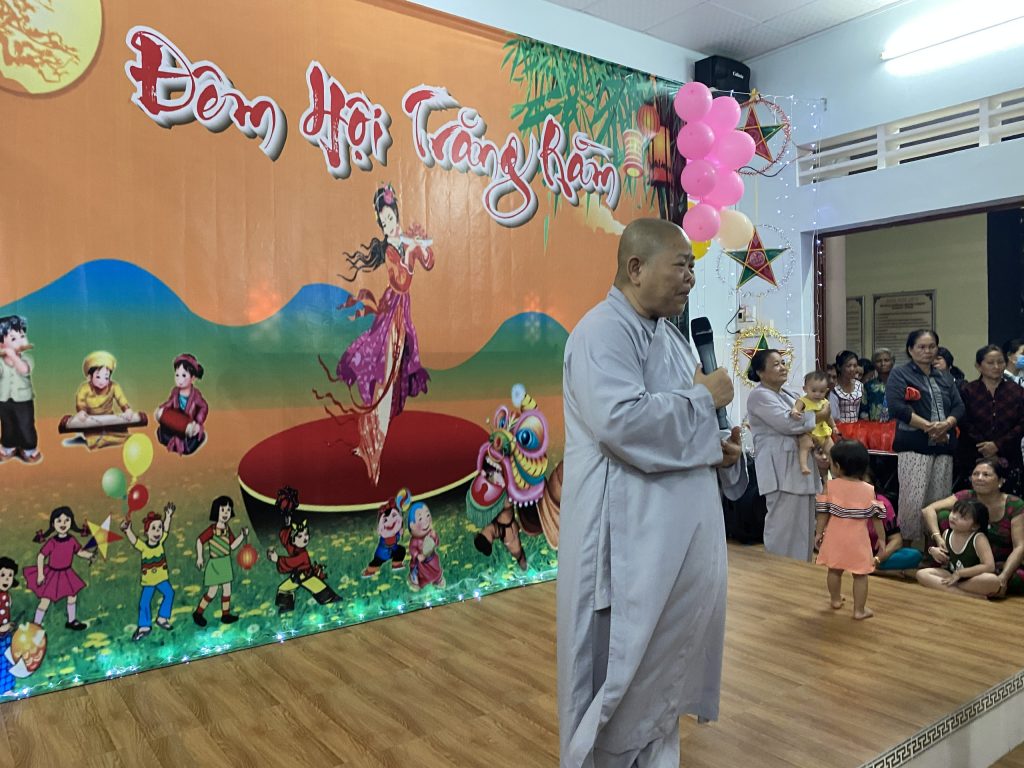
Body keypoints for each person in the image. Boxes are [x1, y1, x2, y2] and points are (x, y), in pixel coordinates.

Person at [557, 218, 747, 768]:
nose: (691, 278)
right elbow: (621, 423)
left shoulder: (669, 338)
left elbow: (680, 429)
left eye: (693, 267)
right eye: (681, 265)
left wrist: (716, 446)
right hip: (623, 549)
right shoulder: (601, 333)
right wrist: (702, 401)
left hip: (669, 548)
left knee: (660, 686)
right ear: (636, 268)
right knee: (616, 679)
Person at [333, 184, 434, 484]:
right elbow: (401, 280)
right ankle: (372, 451)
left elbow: (429, 263)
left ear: (396, 215)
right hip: (392, 313)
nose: (388, 224)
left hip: (403, 313)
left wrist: (421, 246)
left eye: (390, 218)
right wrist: (410, 251)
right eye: (383, 221)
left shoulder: (404, 242)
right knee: (383, 379)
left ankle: (372, 446)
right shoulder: (391, 249)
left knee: (391, 378)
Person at [746, 350, 828, 561]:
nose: (783, 367)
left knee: (803, 530)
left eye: (783, 362)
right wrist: (820, 415)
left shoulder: (789, 394)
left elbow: (808, 416)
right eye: (776, 364)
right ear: (760, 372)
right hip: (780, 471)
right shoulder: (759, 395)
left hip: (799, 468)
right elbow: (788, 423)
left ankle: (800, 572)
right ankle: (779, 574)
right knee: (783, 530)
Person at [885, 329, 964, 546]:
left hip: (943, 446)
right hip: (914, 446)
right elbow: (897, 407)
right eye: (921, 347)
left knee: (939, 501)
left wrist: (947, 424)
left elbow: (959, 406)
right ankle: (907, 552)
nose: (927, 351)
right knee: (912, 502)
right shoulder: (900, 374)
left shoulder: (945, 376)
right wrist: (928, 427)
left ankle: (934, 551)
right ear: (910, 349)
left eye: (931, 347)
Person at [922, 458, 1024, 597]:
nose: (979, 478)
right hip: (964, 564)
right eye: (975, 474)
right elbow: (928, 510)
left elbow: (1020, 547)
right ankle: (966, 591)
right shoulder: (967, 496)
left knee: (1011, 579)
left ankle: (951, 585)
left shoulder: (1015, 505)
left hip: (995, 566)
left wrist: (1003, 577)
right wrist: (938, 539)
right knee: (944, 515)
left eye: (986, 475)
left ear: (1000, 481)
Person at [813, 440, 886, 619]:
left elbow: (823, 513)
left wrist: (818, 533)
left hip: (834, 537)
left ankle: (835, 600)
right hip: (858, 539)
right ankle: (859, 610)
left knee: (834, 570)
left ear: (837, 466)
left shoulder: (830, 486)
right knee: (860, 575)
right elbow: (877, 518)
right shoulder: (868, 490)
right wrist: (882, 539)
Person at [955, 345, 1024, 494]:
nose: (996, 367)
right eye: (990, 363)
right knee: (972, 502)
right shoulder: (967, 391)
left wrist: (997, 445)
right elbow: (964, 421)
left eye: (1000, 362)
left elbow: (1021, 423)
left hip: (1009, 455)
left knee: (1010, 500)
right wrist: (986, 448)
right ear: (978, 366)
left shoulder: (1017, 391)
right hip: (973, 455)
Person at [916, 499, 995, 595]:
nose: (954, 517)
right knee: (921, 574)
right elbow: (946, 560)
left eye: (962, 517)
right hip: (951, 574)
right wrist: (933, 551)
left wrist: (961, 573)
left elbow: (989, 566)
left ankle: (951, 588)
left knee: (992, 580)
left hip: (972, 577)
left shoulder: (979, 538)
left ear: (975, 526)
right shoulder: (947, 534)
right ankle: (965, 594)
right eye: (954, 512)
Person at [73, 350, 136, 449]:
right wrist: (82, 412)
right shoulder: (84, 388)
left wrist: (127, 409)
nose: (102, 381)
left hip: (109, 419)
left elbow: (121, 399)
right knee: (94, 436)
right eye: (98, 377)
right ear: (89, 377)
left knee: (124, 435)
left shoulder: (114, 386)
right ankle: (95, 440)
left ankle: (108, 439)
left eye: (106, 377)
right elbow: (80, 402)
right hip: (91, 421)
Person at [155, 353, 208, 455]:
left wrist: (198, 422)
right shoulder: (175, 392)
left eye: (184, 375)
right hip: (176, 424)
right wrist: (161, 410)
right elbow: (169, 403)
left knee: (195, 438)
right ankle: (176, 442)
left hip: (188, 425)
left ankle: (182, 444)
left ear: (193, 378)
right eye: (177, 375)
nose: (180, 380)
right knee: (161, 432)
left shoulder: (196, 395)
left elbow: (203, 407)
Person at [791, 371, 837, 475]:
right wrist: (794, 412)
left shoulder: (825, 402)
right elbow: (795, 408)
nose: (817, 394)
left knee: (832, 449)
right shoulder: (802, 400)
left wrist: (834, 426)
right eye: (814, 390)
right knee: (805, 445)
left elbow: (828, 416)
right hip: (809, 432)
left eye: (821, 391)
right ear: (805, 389)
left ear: (826, 390)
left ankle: (835, 468)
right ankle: (803, 465)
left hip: (823, 431)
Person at [829, 350, 864, 424]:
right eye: (848, 366)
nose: (852, 369)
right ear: (839, 367)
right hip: (837, 426)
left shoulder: (859, 385)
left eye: (855, 366)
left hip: (856, 426)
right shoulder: (833, 386)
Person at [861, 348, 893, 422]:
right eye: (879, 361)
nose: (883, 364)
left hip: (897, 426)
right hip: (874, 426)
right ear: (874, 364)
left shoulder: (900, 384)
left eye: (886, 360)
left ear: (892, 363)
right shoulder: (868, 386)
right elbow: (864, 411)